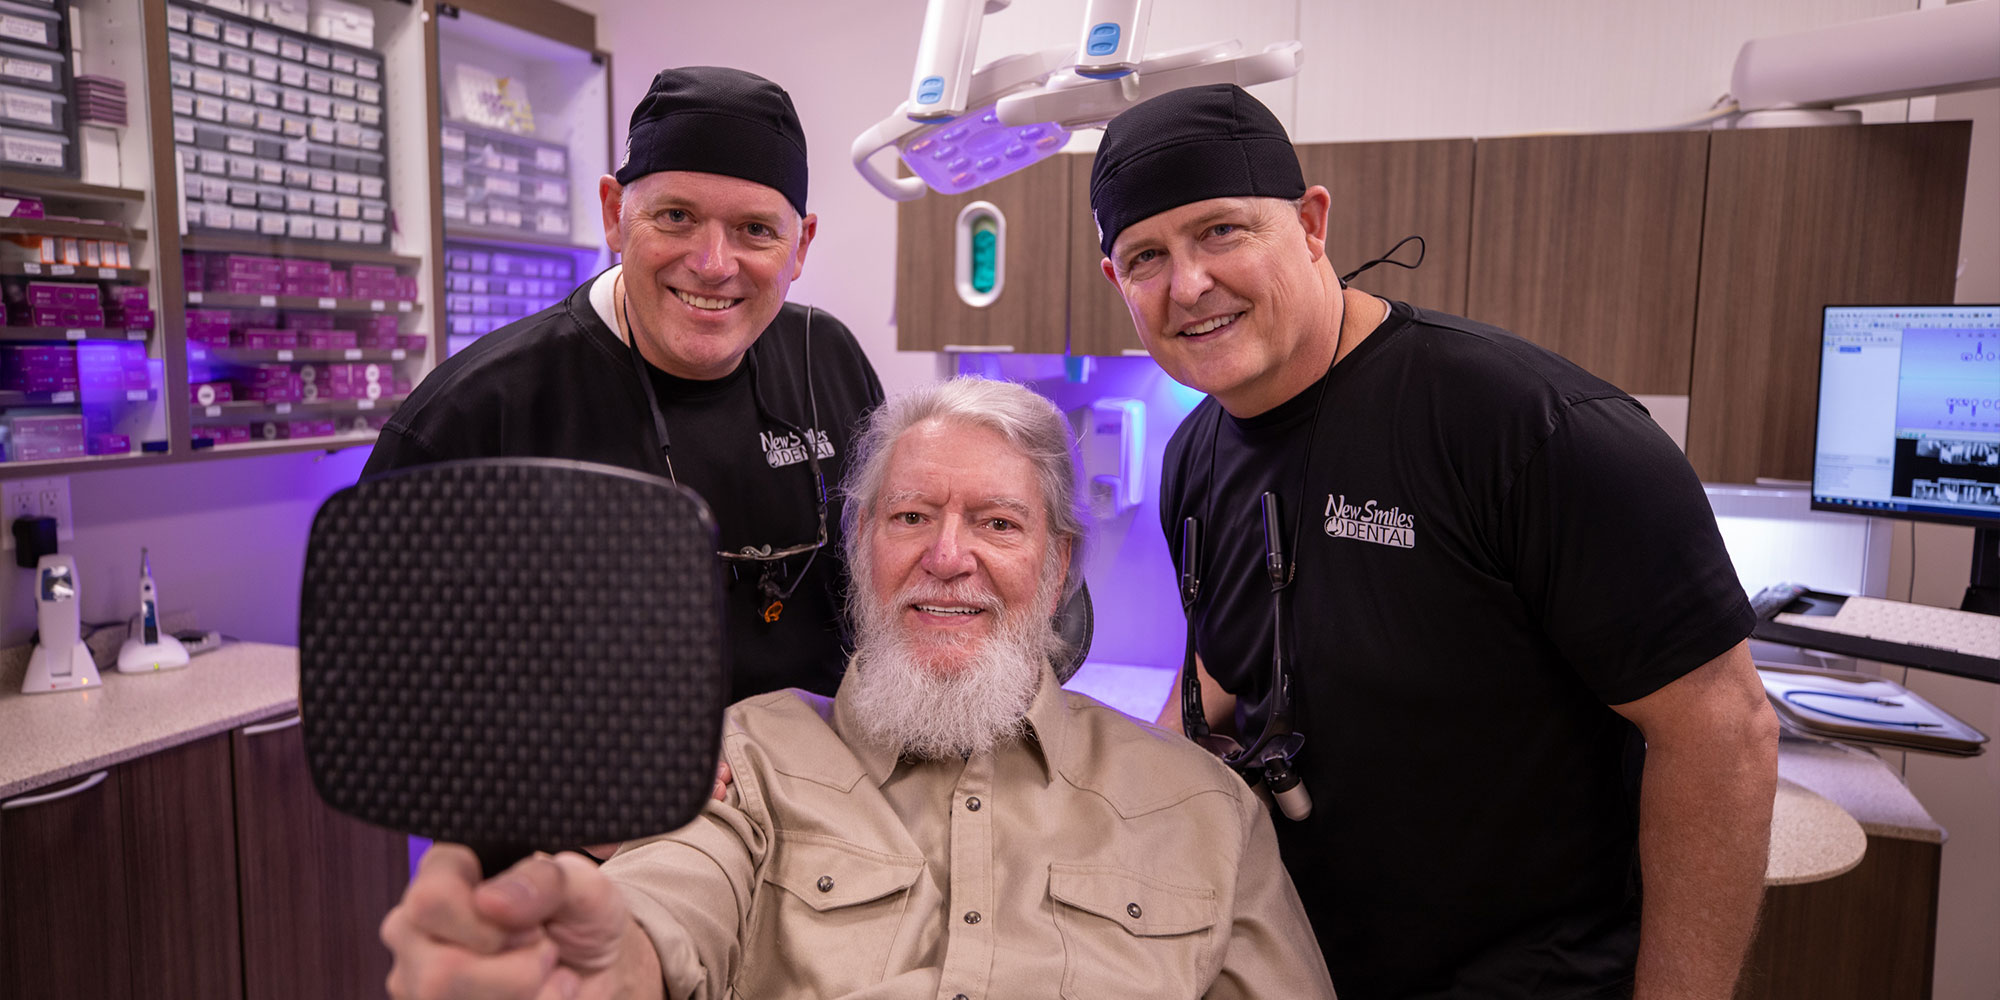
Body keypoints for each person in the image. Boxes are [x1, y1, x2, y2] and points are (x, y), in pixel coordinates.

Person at [1088, 85, 1779, 1000]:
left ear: (1311, 222)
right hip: (1299, 966)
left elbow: (1723, 734)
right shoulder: (1195, 454)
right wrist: (1075, 786)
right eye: (1147, 256)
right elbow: (1223, 676)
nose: (1189, 284)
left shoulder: (1526, 429)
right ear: (1117, 284)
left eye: (1222, 231)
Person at [376, 377, 1337, 1000]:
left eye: (998, 524)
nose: (947, 557)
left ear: (1056, 570)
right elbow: (673, 897)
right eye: (911, 516)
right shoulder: (748, 757)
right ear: (860, 548)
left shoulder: (1205, 811)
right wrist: (609, 957)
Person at [366, 66, 883, 704]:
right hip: (596, 796)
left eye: (756, 230)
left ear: (799, 246)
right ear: (615, 215)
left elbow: (888, 580)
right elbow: (363, 688)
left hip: (823, 780)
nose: (713, 265)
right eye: (675, 216)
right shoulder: (474, 417)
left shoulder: (828, 359)